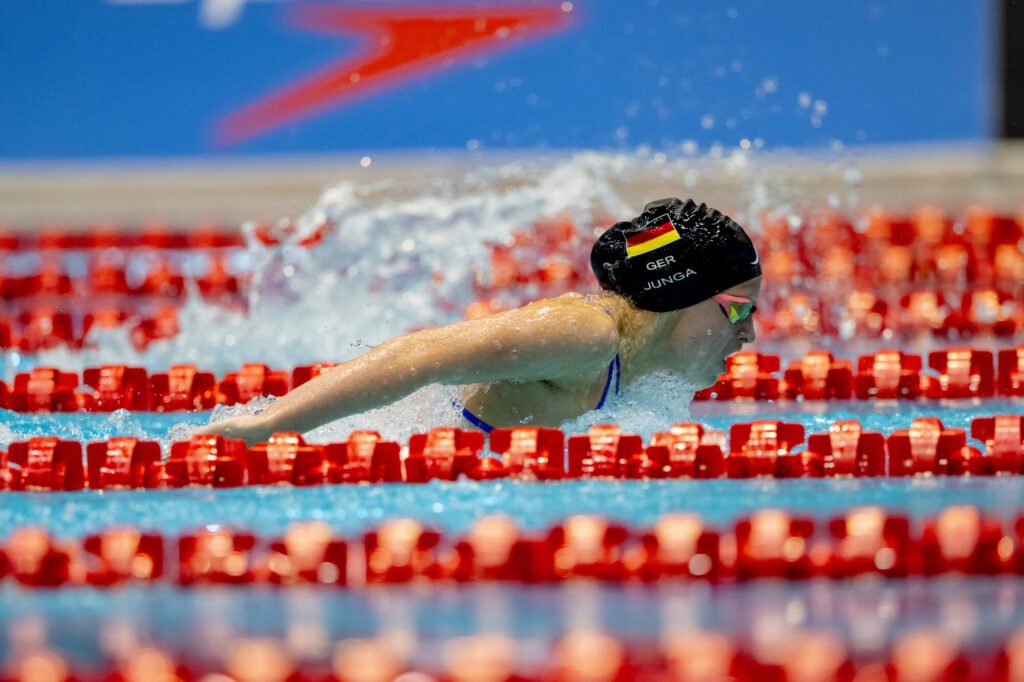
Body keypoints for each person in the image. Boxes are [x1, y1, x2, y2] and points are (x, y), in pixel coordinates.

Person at [199, 198, 762, 445]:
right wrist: (268, 428)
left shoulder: (644, 376)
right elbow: (417, 356)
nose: (749, 333)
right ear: (679, 293)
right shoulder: (585, 337)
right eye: (737, 308)